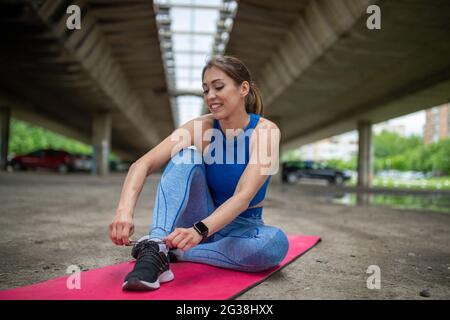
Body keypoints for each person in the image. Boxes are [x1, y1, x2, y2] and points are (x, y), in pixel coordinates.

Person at [109, 55, 289, 291]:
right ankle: (157, 244)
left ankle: (177, 253)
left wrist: (200, 231)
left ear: (243, 88)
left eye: (218, 87)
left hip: (242, 227)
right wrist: (124, 211)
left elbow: (243, 196)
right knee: (186, 156)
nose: (210, 96)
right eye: (205, 90)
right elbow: (143, 164)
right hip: (200, 213)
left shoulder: (265, 131)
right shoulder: (199, 127)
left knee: (274, 245)